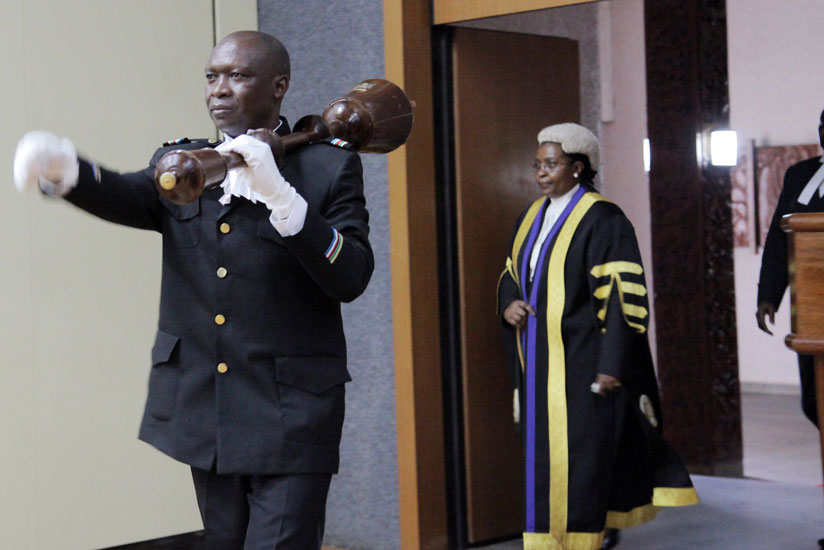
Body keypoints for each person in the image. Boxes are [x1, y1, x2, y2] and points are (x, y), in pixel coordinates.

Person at [13, 31, 373, 550]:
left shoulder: (326, 166)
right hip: (214, 407)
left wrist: (285, 201)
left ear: (279, 86)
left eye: (237, 76)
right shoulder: (184, 164)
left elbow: (352, 273)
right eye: (212, 77)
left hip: (291, 412)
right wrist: (68, 171)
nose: (219, 90)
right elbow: (127, 194)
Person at [497, 123, 698, 550]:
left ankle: (585, 539)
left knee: (583, 461)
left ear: (577, 166)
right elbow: (511, 272)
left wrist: (612, 365)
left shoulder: (603, 217)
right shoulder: (532, 215)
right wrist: (508, 303)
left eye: (551, 164)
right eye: (538, 165)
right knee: (544, 461)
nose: (541, 173)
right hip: (538, 363)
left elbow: (623, 295)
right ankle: (547, 540)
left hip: (583, 362)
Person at [756, 108, 824, 429]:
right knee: (814, 402)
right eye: (822, 126)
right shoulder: (799, 175)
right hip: (811, 312)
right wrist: (769, 294)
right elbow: (779, 240)